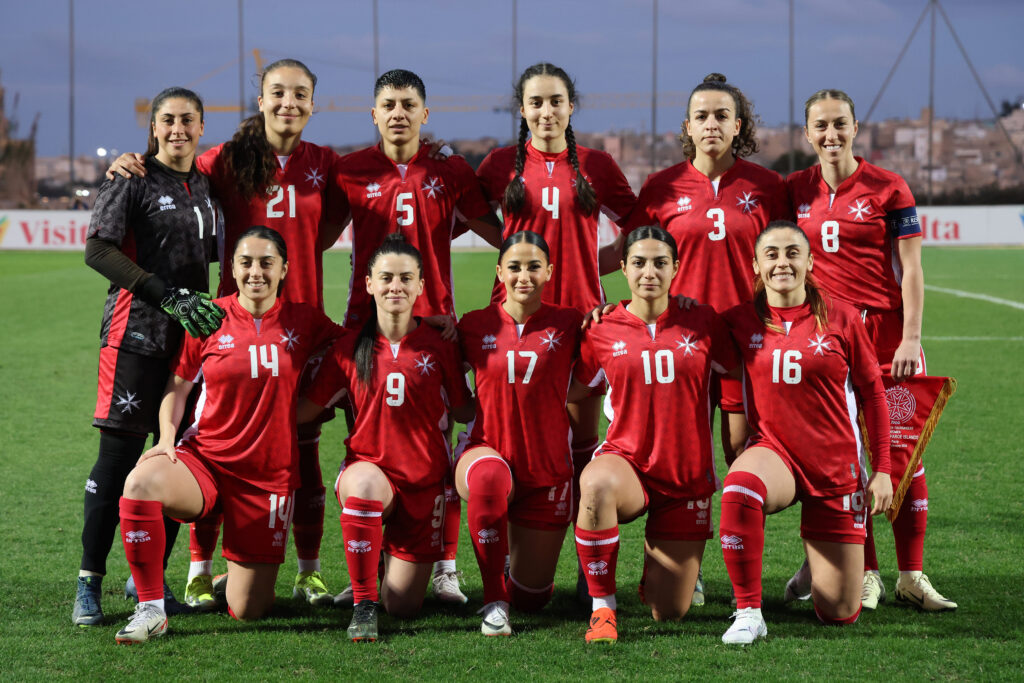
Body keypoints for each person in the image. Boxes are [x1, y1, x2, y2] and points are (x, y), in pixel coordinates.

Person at [109, 59, 347, 608]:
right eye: (277, 93)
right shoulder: (227, 160)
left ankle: (308, 571)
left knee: (301, 449)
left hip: (300, 321)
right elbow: (174, 164)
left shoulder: (326, 163)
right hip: (233, 322)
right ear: (259, 100)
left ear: (314, 103)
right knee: (214, 436)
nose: (289, 102)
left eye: (300, 94)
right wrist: (133, 160)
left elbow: (330, 228)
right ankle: (199, 567)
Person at [113, 226, 343, 643]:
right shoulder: (209, 316)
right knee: (140, 482)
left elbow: (356, 348)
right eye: (246, 262)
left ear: (284, 269)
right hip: (208, 460)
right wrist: (166, 438)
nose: (256, 272)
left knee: (251, 610)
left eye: (266, 263)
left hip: (268, 477)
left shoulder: (305, 320)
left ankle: (227, 581)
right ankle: (150, 608)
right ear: (233, 269)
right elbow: (178, 387)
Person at [329, 68, 503, 606]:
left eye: (409, 104)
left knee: (438, 443)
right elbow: (311, 233)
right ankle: (368, 569)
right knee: (368, 439)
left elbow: (492, 228)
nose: (399, 112)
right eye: (389, 104)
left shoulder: (448, 168)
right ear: (374, 113)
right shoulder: (350, 170)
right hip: (366, 328)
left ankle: (446, 568)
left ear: (425, 114)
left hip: (436, 325)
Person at [783, 89, 954, 612]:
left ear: (856, 128)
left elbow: (913, 269)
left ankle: (912, 574)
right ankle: (869, 574)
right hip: (830, 340)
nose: (831, 135)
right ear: (807, 134)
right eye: (821, 126)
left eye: (840, 124)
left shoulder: (889, 187)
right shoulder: (792, 190)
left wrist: (911, 336)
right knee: (851, 462)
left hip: (888, 337)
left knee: (907, 455)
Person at [475, 62, 638, 596]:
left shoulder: (595, 164)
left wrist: (596, 268)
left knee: (581, 445)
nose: (546, 112)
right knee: (513, 437)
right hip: (517, 321)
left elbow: (638, 233)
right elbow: (465, 214)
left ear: (572, 108)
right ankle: (508, 556)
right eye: (536, 103)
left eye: (556, 102)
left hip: (584, 322)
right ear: (521, 110)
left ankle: (583, 566)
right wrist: (506, 249)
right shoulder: (501, 164)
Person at [74, 87, 223, 627]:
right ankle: (88, 584)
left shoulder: (205, 185)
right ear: (154, 127)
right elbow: (98, 250)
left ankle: (152, 592)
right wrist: (166, 295)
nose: (178, 128)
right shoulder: (131, 178)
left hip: (189, 343)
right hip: (134, 335)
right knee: (116, 462)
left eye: (188, 120)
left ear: (201, 127)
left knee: (174, 456)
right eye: (168, 120)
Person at [718, 221, 893, 645]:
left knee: (839, 612)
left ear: (810, 261)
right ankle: (748, 613)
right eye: (772, 254)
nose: (783, 262)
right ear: (756, 266)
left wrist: (883, 469)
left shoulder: (843, 316)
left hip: (835, 465)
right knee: (739, 487)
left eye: (793, 253)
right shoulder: (737, 321)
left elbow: (873, 395)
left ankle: (814, 568)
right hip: (774, 452)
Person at [299, 234, 474, 642]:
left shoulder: (441, 344)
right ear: (369, 284)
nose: (396, 286)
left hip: (424, 484)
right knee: (362, 486)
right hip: (371, 472)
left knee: (404, 606)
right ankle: (363, 603)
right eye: (386, 277)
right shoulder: (347, 349)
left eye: (405, 278)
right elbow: (304, 411)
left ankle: (383, 564)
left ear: (420, 287)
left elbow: (465, 410)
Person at [570, 225, 738, 643]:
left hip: (685, 478)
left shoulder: (703, 322)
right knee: (594, 484)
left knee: (670, 612)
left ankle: (656, 573)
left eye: (660, 263)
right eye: (639, 263)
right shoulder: (601, 327)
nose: (650, 272)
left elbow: (737, 380)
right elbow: (575, 390)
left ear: (676, 268)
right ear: (623, 267)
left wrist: (739, 451)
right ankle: (603, 609)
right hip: (627, 462)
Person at [454, 230, 583, 636]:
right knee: (489, 478)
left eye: (533, 266)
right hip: (486, 450)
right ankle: (494, 600)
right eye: (513, 267)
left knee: (533, 598)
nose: (523, 275)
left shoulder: (570, 322)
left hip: (547, 470)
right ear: (499, 272)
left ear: (549, 271)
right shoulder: (473, 325)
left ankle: (509, 571)